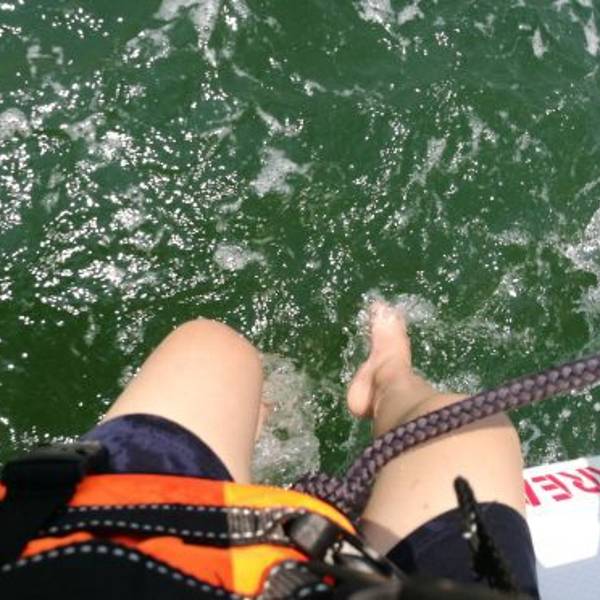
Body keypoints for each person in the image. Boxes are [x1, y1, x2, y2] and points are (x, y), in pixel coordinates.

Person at [0, 301, 539, 598]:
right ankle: (388, 376)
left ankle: (239, 451)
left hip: (93, 559)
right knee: (471, 428)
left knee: (210, 349)